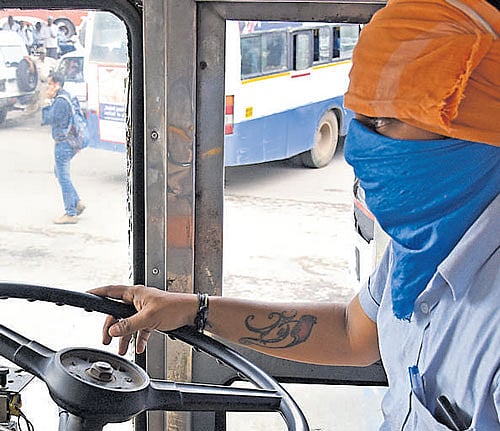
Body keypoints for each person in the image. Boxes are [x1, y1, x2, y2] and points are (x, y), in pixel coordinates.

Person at [90, 0, 499, 429]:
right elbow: (350, 332)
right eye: (359, 120)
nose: (359, 149)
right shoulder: (424, 243)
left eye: (384, 124)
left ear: (478, 127)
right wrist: (193, 309)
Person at [41, 72, 85, 224]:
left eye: (50, 84)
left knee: (63, 177)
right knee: (58, 172)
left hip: (63, 143)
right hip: (72, 142)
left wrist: (47, 100)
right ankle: (77, 202)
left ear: (57, 85)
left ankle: (70, 213)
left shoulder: (59, 102)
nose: (48, 88)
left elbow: (47, 119)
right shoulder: (67, 96)